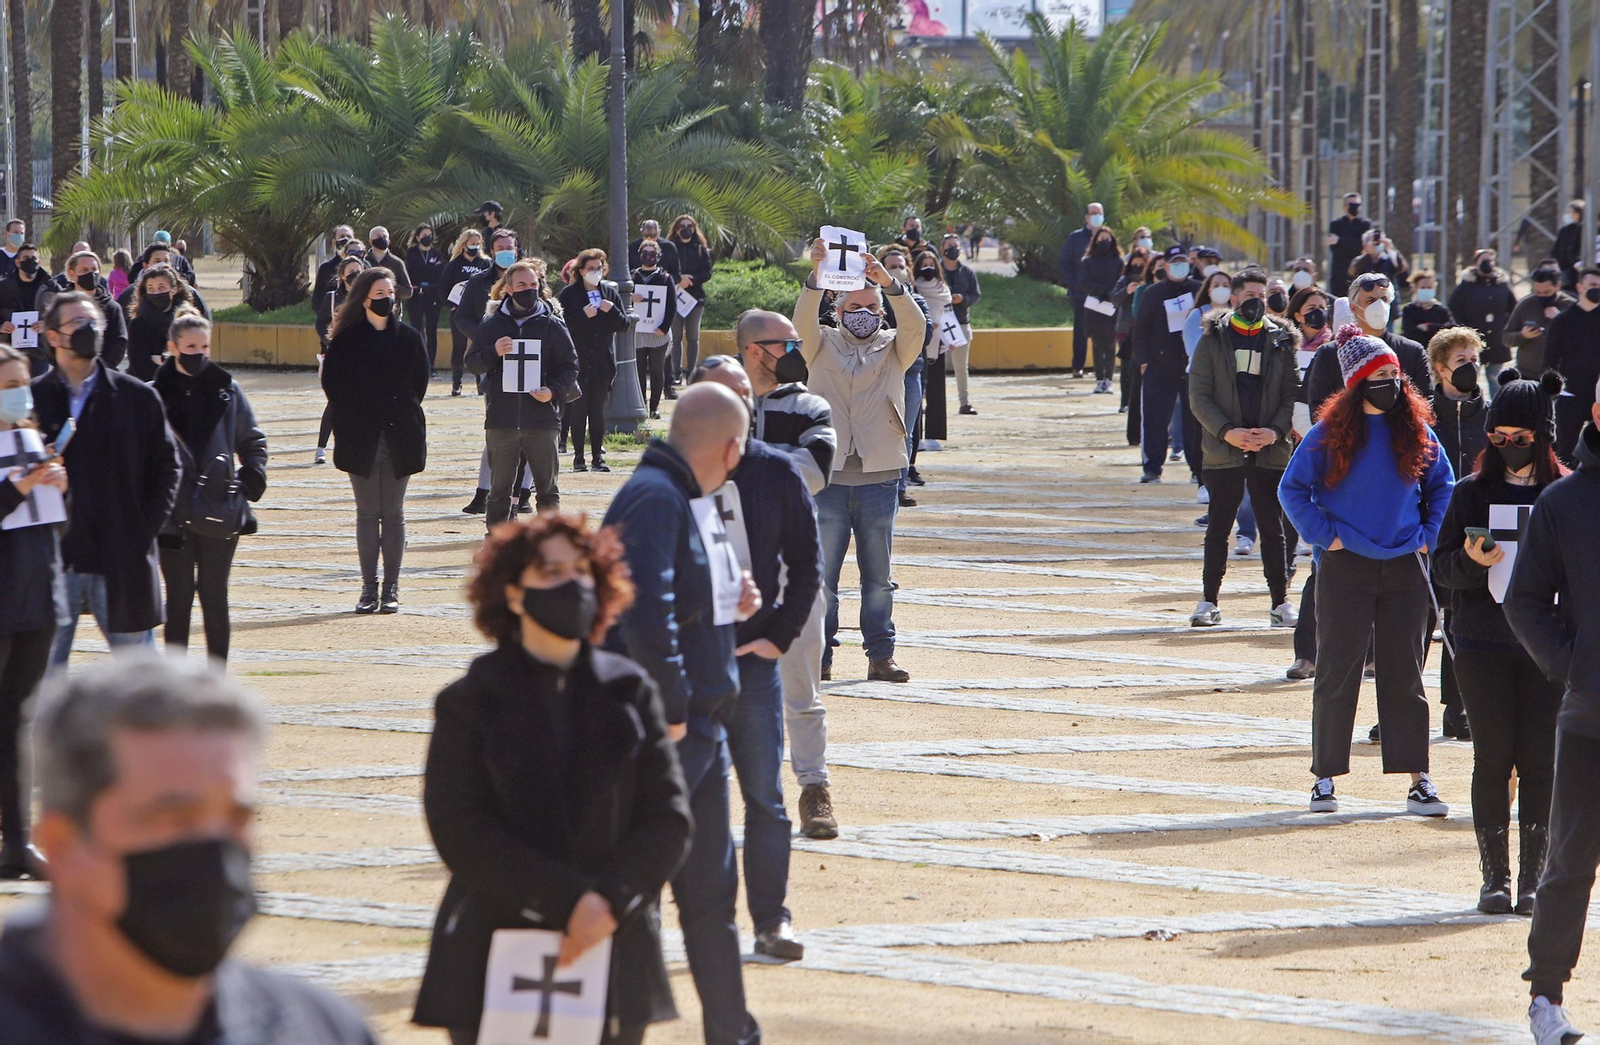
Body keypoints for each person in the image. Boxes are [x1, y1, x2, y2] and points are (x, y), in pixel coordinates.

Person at [413, 515, 691, 1045]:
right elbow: (459, 827)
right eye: (551, 572)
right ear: (514, 594)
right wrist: (567, 901)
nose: (572, 584)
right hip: (495, 939)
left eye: (581, 570)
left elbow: (668, 819)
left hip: (613, 943)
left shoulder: (631, 691)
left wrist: (608, 902)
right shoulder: (469, 701)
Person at [0, 656, 378, 1042]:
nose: (214, 848)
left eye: (237, 817)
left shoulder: (323, 1027)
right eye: (175, 818)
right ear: (62, 845)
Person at [603, 382, 763, 1045]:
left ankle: (733, 1032)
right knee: (634, 893)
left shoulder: (676, 493)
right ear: (732, 449)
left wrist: (731, 600)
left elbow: (679, 598)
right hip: (674, 730)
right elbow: (644, 607)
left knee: (710, 900)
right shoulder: (657, 497)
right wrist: (667, 707)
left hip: (699, 726)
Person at [1279, 325, 1455, 815]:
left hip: (1406, 565)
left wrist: (1430, 535)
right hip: (1345, 565)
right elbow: (1292, 489)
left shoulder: (1416, 430)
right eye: (1379, 379)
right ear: (1357, 385)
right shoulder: (1328, 434)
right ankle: (1325, 777)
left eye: (1395, 377)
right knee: (1336, 671)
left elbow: (1444, 485)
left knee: (1406, 674)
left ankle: (1418, 778)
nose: (1390, 386)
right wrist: (1326, 536)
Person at [689, 357, 823, 961]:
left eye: (744, 394)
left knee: (764, 798)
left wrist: (778, 636)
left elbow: (808, 563)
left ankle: (772, 921)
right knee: (693, 798)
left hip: (754, 663)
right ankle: (705, 922)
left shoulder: (775, 470)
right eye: (722, 395)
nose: (737, 405)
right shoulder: (667, 476)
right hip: (688, 665)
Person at [1432, 368, 1565, 918]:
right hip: (1481, 644)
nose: (1509, 446)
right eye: (1498, 437)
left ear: (1543, 435)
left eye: (1521, 437)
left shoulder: (1566, 494)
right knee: (1491, 758)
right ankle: (1495, 879)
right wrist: (1471, 562)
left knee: (1540, 762)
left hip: (1547, 650)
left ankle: (1532, 879)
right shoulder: (1470, 492)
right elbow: (1441, 570)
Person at [1504, 375, 1600, 1045]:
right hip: (1592, 713)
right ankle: (1546, 997)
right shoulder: (1563, 502)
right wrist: (1574, 667)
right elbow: (1525, 600)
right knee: (1569, 859)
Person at [795, 241, 923, 684]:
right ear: (838, 310)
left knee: (879, 578)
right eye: (854, 306)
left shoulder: (895, 347)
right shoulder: (820, 343)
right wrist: (816, 276)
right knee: (822, 578)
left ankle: (881, 656)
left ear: (882, 312)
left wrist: (888, 283)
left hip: (880, 475)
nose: (863, 313)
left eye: (871, 306)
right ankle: (820, 656)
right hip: (827, 476)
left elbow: (916, 325)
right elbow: (800, 323)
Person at [735, 308, 839, 839]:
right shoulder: (717, 402)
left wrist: (737, 459)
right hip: (723, 569)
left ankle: (814, 787)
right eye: (788, 343)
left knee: (801, 687)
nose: (799, 350)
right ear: (756, 350)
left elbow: (815, 472)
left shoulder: (810, 406)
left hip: (790, 565)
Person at [32, 293, 179, 667]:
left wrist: (142, 531)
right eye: (78, 323)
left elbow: (167, 468)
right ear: (53, 336)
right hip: (54, 562)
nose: (89, 330)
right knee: (40, 678)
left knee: (140, 680)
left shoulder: (136, 397)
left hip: (121, 558)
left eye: (94, 322)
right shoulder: (32, 400)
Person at [1187, 268, 1300, 629]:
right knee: (1218, 527)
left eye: (1262, 295)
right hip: (1224, 451)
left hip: (1270, 449)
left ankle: (1280, 602)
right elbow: (1199, 395)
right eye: (1250, 295)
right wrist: (1227, 432)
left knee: (1273, 529)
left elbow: (1292, 394)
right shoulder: (1212, 338)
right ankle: (1208, 601)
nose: (1257, 302)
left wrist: (1275, 431)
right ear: (1233, 299)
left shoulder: (1282, 339)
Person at [153, 311, 267, 664]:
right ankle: (176, 682)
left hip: (219, 504)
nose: (198, 354)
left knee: (215, 595)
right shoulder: (152, 395)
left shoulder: (226, 389)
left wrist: (251, 477)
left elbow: (252, 440)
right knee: (178, 597)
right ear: (173, 347)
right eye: (190, 347)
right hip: (171, 512)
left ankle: (216, 680)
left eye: (204, 347)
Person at [321, 269, 430, 615]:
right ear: (364, 299)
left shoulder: (410, 338)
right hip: (359, 435)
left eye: (390, 293)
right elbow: (333, 387)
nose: (386, 299)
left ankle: (391, 588)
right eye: (379, 293)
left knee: (393, 512)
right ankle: (369, 588)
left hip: (401, 433)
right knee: (368, 512)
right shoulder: (346, 340)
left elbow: (420, 383)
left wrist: (397, 409)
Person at [0, 345, 65, 879]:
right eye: (8, 385)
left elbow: (55, 529)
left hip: (38, 599)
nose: (21, 394)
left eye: (23, 382)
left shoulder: (32, 440)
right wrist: (16, 489)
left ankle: (18, 842)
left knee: (18, 722)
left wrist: (59, 489)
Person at [467, 259, 577, 524]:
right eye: (522, 285)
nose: (529, 289)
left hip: (542, 419)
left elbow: (570, 366)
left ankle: (550, 542)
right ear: (509, 289)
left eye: (533, 284)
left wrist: (552, 391)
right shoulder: (491, 325)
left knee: (547, 491)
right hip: (502, 420)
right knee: (498, 492)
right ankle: (498, 542)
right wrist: (494, 351)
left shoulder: (552, 325)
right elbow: (472, 363)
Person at [1306, 272, 1433, 418]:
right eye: (1370, 300)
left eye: (1384, 299)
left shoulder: (1412, 351)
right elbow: (1318, 410)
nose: (1379, 306)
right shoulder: (1329, 353)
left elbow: (1427, 404)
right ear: (1354, 308)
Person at [1132, 246, 1203, 484]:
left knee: (1195, 421)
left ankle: (1198, 469)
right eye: (1174, 262)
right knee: (1155, 419)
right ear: (1165, 265)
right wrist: (1143, 361)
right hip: (1159, 367)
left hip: (1192, 367)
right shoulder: (1152, 293)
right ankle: (1152, 468)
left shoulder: (1198, 290)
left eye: (1183, 261)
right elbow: (1140, 329)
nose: (1179, 266)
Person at [558, 248, 628, 474]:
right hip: (577, 362)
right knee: (578, 411)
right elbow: (560, 326)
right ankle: (578, 457)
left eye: (599, 268)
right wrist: (582, 316)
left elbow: (624, 325)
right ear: (581, 270)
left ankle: (598, 456)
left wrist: (612, 311)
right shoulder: (569, 294)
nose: (596, 272)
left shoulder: (609, 293)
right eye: (591, 268)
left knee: (597, 411)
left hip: (602, 362)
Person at [1544, 266, 1600, 465]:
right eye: (1592, 285)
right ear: (1579, 287)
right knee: (1565, 450)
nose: (1596, 289)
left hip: (1599, 397)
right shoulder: (1563, 320)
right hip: (1570, 395)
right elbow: (1550, 360)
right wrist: (1552, 392)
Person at [1447, 248, 1519, 396]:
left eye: (1490, 260)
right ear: (1476, 263)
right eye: (1483, 260)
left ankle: (1496, 407)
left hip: (1497, 340)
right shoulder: (1466, 285)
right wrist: (1463, 329)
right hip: (1472, 339)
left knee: (1495, 379)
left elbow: (1514, 308)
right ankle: (1471, 404)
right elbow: (1454, 308)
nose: (1487, 263)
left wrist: (1506, 326)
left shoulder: (1502, 284)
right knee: (1470, 377)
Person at [124, 263, 199, 383]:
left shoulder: (186, 321)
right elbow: (141, 366)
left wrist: (161, 360)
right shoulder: (138, 325)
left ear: (174, 289)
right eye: (151, 289)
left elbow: (193, 360)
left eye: (161, 288)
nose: (156, 293)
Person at [910, 248, 951, 466]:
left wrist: (952, 338)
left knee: (937, 391)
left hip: (940, 344)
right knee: (919, 391)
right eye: (924, 263)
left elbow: (949, 313)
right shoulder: (915, 287)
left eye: (931, 263)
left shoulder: (943, 288)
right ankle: (918, 436)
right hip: (921, 343)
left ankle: (934, 435)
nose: (928, 267)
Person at [441, 229, 493, 397]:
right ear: (463, 245)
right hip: (460, 314)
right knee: (459, 348)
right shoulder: (453, 265)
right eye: (472, 243)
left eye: (478, 244)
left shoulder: (485, 263)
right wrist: (452, 306)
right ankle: (457, 383)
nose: (475, 247)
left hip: (481, 313)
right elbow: (443, 288)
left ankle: (480, 383)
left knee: (480, 346)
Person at [1057, 202, 1105, 378]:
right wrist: (1075, 283)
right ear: (1086, 217)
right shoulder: (1075, 238)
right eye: (1093, 213)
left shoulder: (1107, 237)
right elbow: (1064, 263)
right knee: (1081, 331)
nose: (1096, 216)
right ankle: (1078, 366)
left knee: (1103, 331)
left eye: (1099, 213)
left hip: (1103, 294)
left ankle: (1102, 368)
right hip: (1080, 294)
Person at [938, 232, 981, 413]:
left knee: (961, 367)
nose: (953, 249)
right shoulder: (935, 269)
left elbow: (976, 295)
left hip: (961, 323)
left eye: (955, 246)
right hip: (939, 324)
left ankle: (964, 402)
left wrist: (963, 300)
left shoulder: (967, 272)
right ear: (942, 249)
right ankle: (932, 402)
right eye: (949, 246)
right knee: (935, 366)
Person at [1504, 266, 1574, 377]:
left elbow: (1582, 338)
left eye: (1547, 292)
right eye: (1538, 292)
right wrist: (1522, 335)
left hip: (1561, 374)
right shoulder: (1525, 305)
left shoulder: (1571, 306)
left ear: (1557, 286)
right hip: (1527, 373)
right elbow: (1506, 338)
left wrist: (1559, 319)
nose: (1542, 296)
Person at [669, 215, 713, 385]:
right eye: (682, 226)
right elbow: (665, 270)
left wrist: (691, 279)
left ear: (694, 229)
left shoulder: (701, 249)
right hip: (675, 298)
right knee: (676, 337)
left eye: (690, 226)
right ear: (677, 229)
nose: (686, 229)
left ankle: (691, 372)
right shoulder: (671, 248)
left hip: (695, 300)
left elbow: (707, 273)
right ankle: (676, 373)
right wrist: (679, 279)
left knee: (693, 337)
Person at [1079, 225, 1122, 396]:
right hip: (1094, 307)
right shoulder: (1087, 261)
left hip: (1112, 307)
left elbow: (1121, 282)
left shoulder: (1118, 262)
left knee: (1111, 345)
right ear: (1095, 240)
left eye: (1107, 239)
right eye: (1101, 238)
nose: (1104, 241)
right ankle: (1099, 380)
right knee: (1097, 345)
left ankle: (1109, 381)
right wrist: (1101, 291)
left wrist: (1112, 295)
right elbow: (1083, 283)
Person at [632, 241, 674, 415]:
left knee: (657, 370)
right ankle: (641, 406)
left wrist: (664, 327)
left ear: (658, 256)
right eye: (645, 253)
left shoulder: (665, 278)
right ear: (640, 255)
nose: (648, 257)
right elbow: (620, 300)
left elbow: (671, 305)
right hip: (637, 332)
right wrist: (630, 298)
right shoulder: (633, 276)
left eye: (652, 254)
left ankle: (654, 407)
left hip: (658, 333)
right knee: (639, 371)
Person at [1112, 250, 1149, 438]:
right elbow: (1114, 298)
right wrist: (1127, 291)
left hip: (1142, 331)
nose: (1138, 267)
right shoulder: (1124, 280)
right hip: (1125, 330)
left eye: (1141, 264)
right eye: (1135, 263)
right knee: (1126, 368)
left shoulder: (1149, 284)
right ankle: (1124, 401)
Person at [0, 244, 48, 373]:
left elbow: (60, 315)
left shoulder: (51, 287)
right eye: (26, 258)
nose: (30, 261)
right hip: (9, 353)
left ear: (39, 262)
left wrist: (47, 324)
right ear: (17, 262)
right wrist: (1, 326)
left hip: (39, 353)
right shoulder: (3, 287)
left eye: (33, 258)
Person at [404, 223, 445, 371]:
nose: (427, 237)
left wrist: (430, 274)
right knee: (417, 329)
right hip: (416, 296)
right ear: (417, 237)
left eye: (429, 235)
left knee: (431, 330)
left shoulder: (436, 253)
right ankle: (418, 362)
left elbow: (440, 272)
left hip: (432, 296)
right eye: (424, 235)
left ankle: (430, 365)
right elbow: (413, 271)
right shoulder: (412, 253)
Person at [1327, 192, 1371, 298]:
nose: (1355, 207)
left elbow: (1361, 246)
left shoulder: (1365, 224)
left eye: (1358, 205)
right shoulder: (1336, 224)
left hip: (1359, 270)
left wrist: (1340, 240)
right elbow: (1334, 248)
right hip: (1340, 271)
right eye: (1352, 205)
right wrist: (1351, 243)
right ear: (1344, 207)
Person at [364, 225, 414, 310]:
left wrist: (389, 287)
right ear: (370, 241)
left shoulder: (397, 263)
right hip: (367, 310)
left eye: (384, 236)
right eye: (378, 236)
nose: (382, 238)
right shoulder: (364, 261)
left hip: (392, 311)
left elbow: (408, 291)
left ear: (389, 241)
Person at [1399, 269, 1453, 346]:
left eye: (1429, 287)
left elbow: (1451, 329)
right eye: (1423, 287)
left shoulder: (1441, 309)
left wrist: (1429, 327)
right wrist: (1438, 328)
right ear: (1415, 288)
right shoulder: (1409, 310)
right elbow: (1409, 332)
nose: (1426, 290)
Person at [629, 218, 681, 286]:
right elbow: (628, 271)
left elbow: (676, 275)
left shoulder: (669, 247)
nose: (649, 238)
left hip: (662, 286)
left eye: (653, 235)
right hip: (639, 286)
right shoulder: (633, 247)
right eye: (646, 235)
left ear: (659, 232)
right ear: (641, 232)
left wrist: (666, 282)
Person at [1553, 199, 1587, 292]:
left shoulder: (1585, 229)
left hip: (1579, 268)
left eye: (1570, 212)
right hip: (1566, 268)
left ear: (1578, 213)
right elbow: (1556, 250)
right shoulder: (1565, 230)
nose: (1567, 215)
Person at [314, 224, 357, 296]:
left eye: (349, 236)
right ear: (334, 242)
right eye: (342, 236)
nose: (346, 239)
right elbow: (318, 297)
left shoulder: (364, 265)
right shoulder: (326, 268)